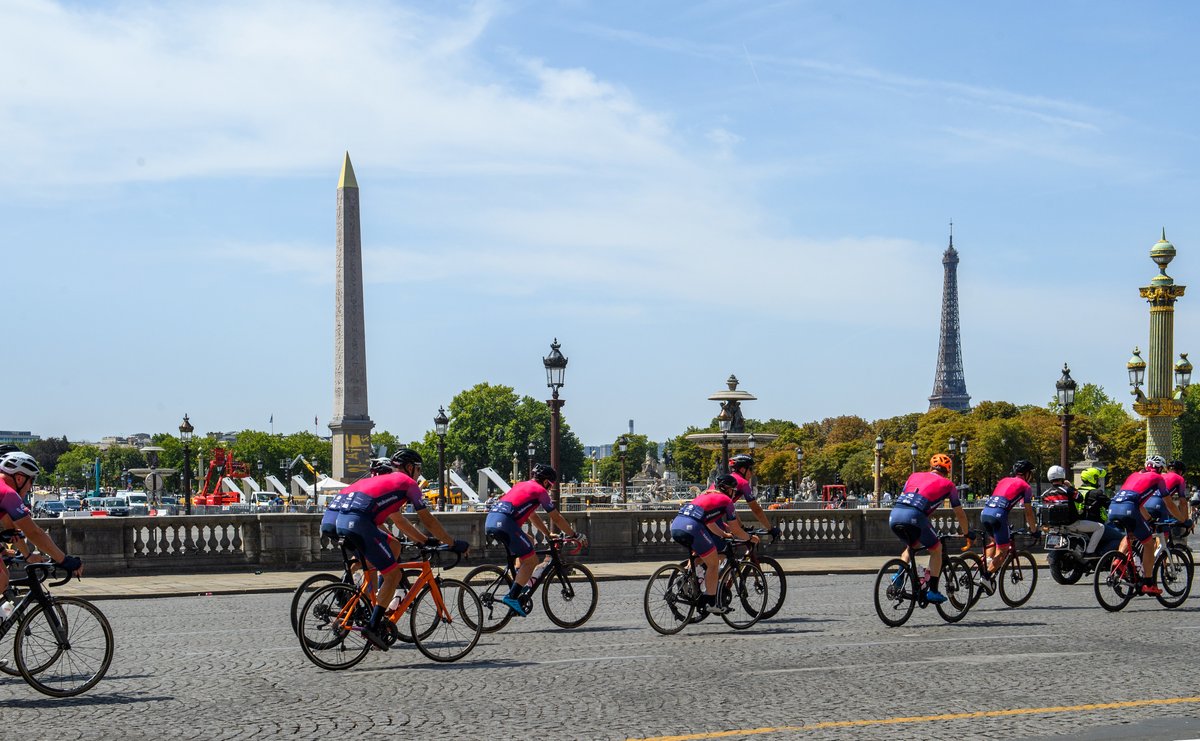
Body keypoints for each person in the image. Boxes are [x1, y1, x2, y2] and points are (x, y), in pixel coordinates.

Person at [332, 448, 467, 649]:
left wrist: (421, 539)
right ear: (410, 467)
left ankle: (361, 593)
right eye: (418, 469)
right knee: (393, 573)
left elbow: (395, 521)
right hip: (359, 524)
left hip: (337, 521)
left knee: (387, 550)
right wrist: (451, 542)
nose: (420, 474)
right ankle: (373, 624)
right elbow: (425, 520)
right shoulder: (405, 483)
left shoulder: (379, 483)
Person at [484, 463, 582, 617]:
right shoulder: (540, 491)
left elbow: (532, 515)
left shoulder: (522, 485)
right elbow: (556, 517)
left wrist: (547, 533)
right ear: (545, 482)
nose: (549, 489)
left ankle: (519, 579)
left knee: (529, 540)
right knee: (532, 560)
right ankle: (512, 596)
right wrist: (575, 535)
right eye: (550, 485)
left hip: (491, 521)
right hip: (505, 524)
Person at [0, 452, 83, 606]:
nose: (31, 487)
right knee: (2, 579)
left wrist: (27, 555)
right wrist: (64, 560)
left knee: (4, 576)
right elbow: (34, 532)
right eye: (31, 481)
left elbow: (10, 526)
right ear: (19, 478)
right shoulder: (7, 493)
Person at [669, 474, 758, 615]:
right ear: (727, 489)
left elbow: (710, 522)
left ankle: (686, 577)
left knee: (701, 556)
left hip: (676, 525)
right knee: (713, 563)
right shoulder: (726, 500)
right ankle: (711, 602)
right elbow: (735, 528)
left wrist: (723, 535)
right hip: (693, 527)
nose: (734, 493)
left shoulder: (705, 495)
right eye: (733, 490)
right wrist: (749, 537)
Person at [888, 453, 969, 604]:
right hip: (915, 516)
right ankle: (932, 591)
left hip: (895, 514)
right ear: (948, 471)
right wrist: (967, 533)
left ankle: (898, 577)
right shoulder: (948, 485)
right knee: (936, 549)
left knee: (912, 545)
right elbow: (959, 513)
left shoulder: (913, 476)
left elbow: (907, 496)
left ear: (931, 467)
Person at [1109, 456, 1182, 596]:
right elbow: (1169, 503)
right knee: (1149, 543)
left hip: (1113, 507)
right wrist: (1183, 519)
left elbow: (1139, 503)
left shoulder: (1134, 475)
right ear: (1160, 468)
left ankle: (1118, 559)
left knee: (1130, 535)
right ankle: (1148, 583)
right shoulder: (1158, 478)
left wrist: (1149, 519)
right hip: (1129, 508)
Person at [978, 460, 1038, 589]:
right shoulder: (1025, 487)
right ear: (1027, 474)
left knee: (993, 541)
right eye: (1031, 473)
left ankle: (987, 564)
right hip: (999, 516)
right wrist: (1034, 530)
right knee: (1003, 550)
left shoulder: (1004, 480)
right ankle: (986, 577)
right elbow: (1028, 513)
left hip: (985, 513)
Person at [1042, 465, 1105, 555]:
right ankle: (1090, 552)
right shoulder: (1067, 490)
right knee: (1100, 527)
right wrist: (1070, 486)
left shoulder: (1045, 494)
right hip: (1072, 524)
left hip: (1054, 527)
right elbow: (1079, 498)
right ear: (1062, 477)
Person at [727, 455, 782, 539]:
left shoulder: (727, 479)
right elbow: (756, 509)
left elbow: (730, 508)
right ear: (742, 469)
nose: (752, 473)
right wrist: (770, 528)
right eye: (750, 469)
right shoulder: (743, 483)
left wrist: (742, 527)